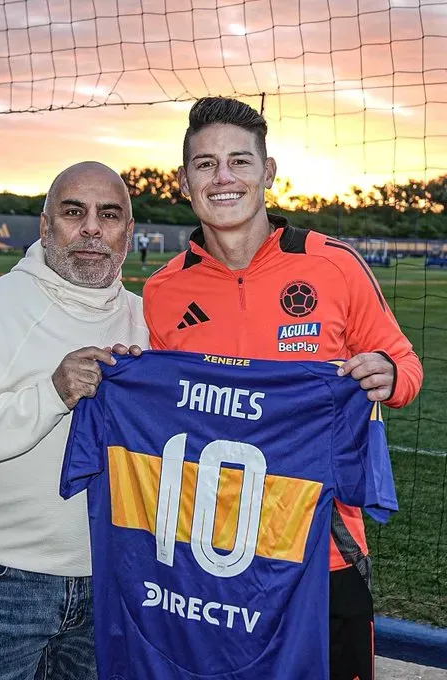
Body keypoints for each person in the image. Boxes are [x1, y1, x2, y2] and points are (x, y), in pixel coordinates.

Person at [143, 97, 423, 680]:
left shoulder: (334, 266)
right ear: (184, 180)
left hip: (327, 548)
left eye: (240, 162)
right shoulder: (163, 291)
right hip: (213, 554)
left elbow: (405, 367)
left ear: (268, 174)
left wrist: (388, 375)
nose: (223, 178)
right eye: (205, 164)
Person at [0, 161, 149, 680]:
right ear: (45, 226)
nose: (91, 228)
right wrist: (52, 393)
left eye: (108, 215)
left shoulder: (150, 320)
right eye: (73, 212)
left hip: (116, 579)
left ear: (128, 233)